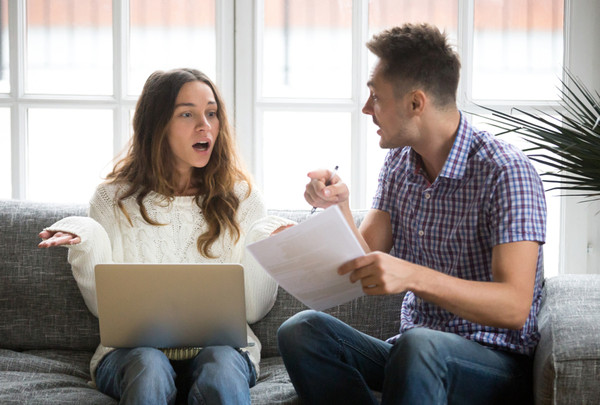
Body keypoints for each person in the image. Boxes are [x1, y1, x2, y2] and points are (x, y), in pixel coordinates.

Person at [277, 23, 546, 405]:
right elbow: (364, 257)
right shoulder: (399, 164)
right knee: (301, 330)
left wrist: (414, 277)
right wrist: (334, 212)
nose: (367, 108)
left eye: (375, 97)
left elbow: (515, 307)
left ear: (415, 103)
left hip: (493, 363)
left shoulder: (507, 172)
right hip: (410, 353)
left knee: (420, 344)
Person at [38, 68, 293, 405]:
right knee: (149, 365)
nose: (205, 125)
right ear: (157, 125)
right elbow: (105, 310)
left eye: (212, 113)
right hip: (132, 354)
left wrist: (264, 239)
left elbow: (252, 311)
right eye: (187, 114)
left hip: (224, 352)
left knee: (221, 366)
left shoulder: (243, 198)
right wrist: (87, 238)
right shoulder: (112, 199)